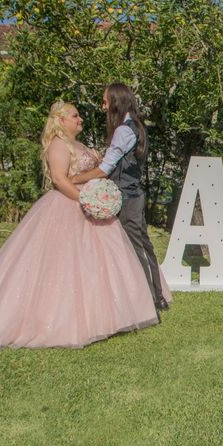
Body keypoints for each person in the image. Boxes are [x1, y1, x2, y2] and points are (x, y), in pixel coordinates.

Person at [0, 101, 160, 349]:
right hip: (68, 205)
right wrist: (85, 199)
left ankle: (105, 317)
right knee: (65, 265)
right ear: (61, 121)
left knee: (100, 263)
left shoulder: (77, 144)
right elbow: (60, 180)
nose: (80, 119)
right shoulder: (58, 145)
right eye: (75, 115)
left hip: (90, 204)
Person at [71, 83, 170, 311]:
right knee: (143, 245)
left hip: (126, 196)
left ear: (116, 102)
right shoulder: (137, 126)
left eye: (105, 102)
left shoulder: (124, 131)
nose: (103, 107)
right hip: (134, 194)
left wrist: (75, 179)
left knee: (136, 247)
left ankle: (151, 299)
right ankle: (157, 296)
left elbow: (105, 169)